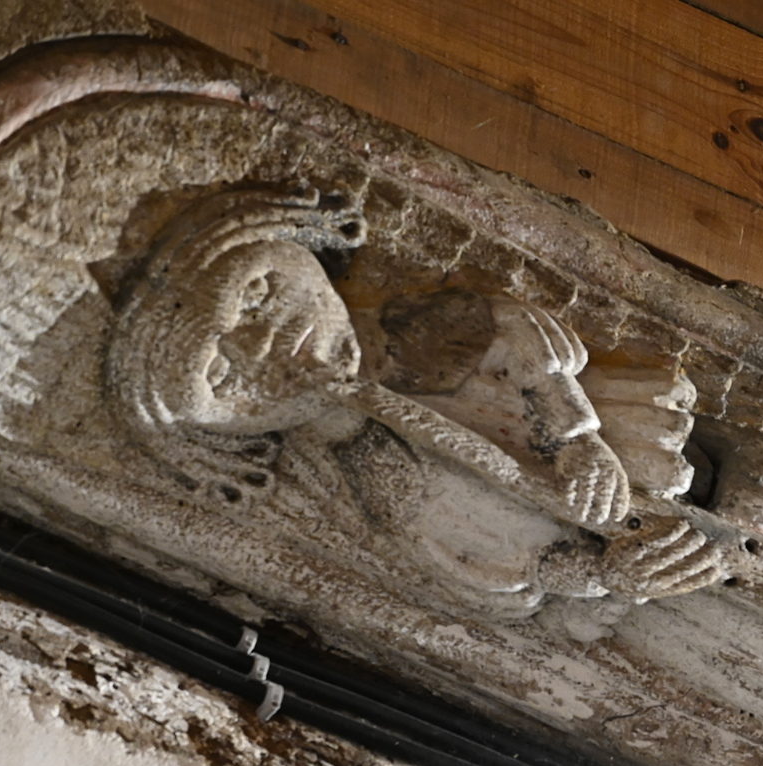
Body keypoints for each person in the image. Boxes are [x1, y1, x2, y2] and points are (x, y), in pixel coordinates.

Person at [106, 188, 722, 611]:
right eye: (218, 374)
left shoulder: (409, 332)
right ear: (214, 437)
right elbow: (499, 567)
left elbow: (512, 330)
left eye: (255, 294)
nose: (262, 343)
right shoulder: (363, 484)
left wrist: (576, 437)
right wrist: (607, 577)